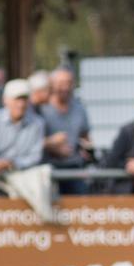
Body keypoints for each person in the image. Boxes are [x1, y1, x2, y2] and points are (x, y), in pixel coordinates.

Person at [0, 79, 44, 195]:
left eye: (24, 99)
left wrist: (13, 163)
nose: (21, 104)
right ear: (5, 100)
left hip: (27, 183)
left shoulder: (38, 123)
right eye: (17, 99)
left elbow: (35, 156)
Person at [41, 67, 92, 195]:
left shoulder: (80, 109)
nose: (65, 87)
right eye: (61, 83)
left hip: (74, 168)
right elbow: (32, 141)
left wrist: (87, 150)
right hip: (47, 168)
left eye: (69, 82)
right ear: (52, 84)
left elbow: (85, 136)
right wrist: (51, 145)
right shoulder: (41, 109)